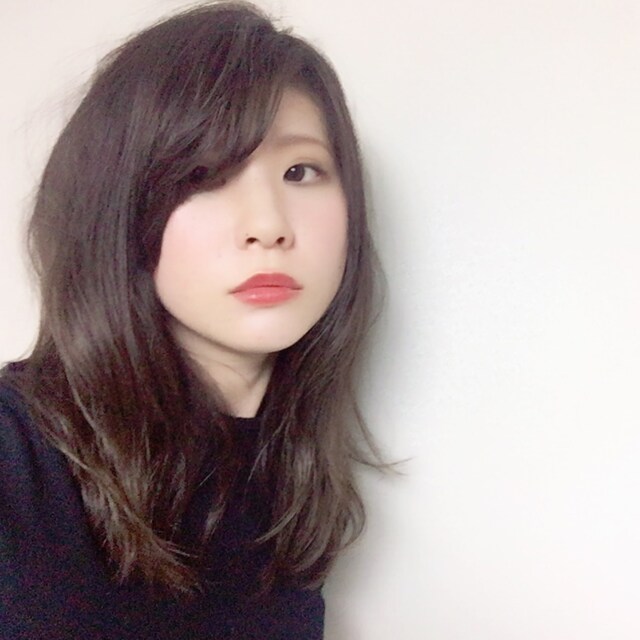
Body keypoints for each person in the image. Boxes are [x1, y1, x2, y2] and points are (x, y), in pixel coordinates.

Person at [0, 1, 381, 638]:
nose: (268, 225)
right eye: (204, 175)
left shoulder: (290, 481)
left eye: (300, 171)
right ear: (121, 210)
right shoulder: (18, 461)